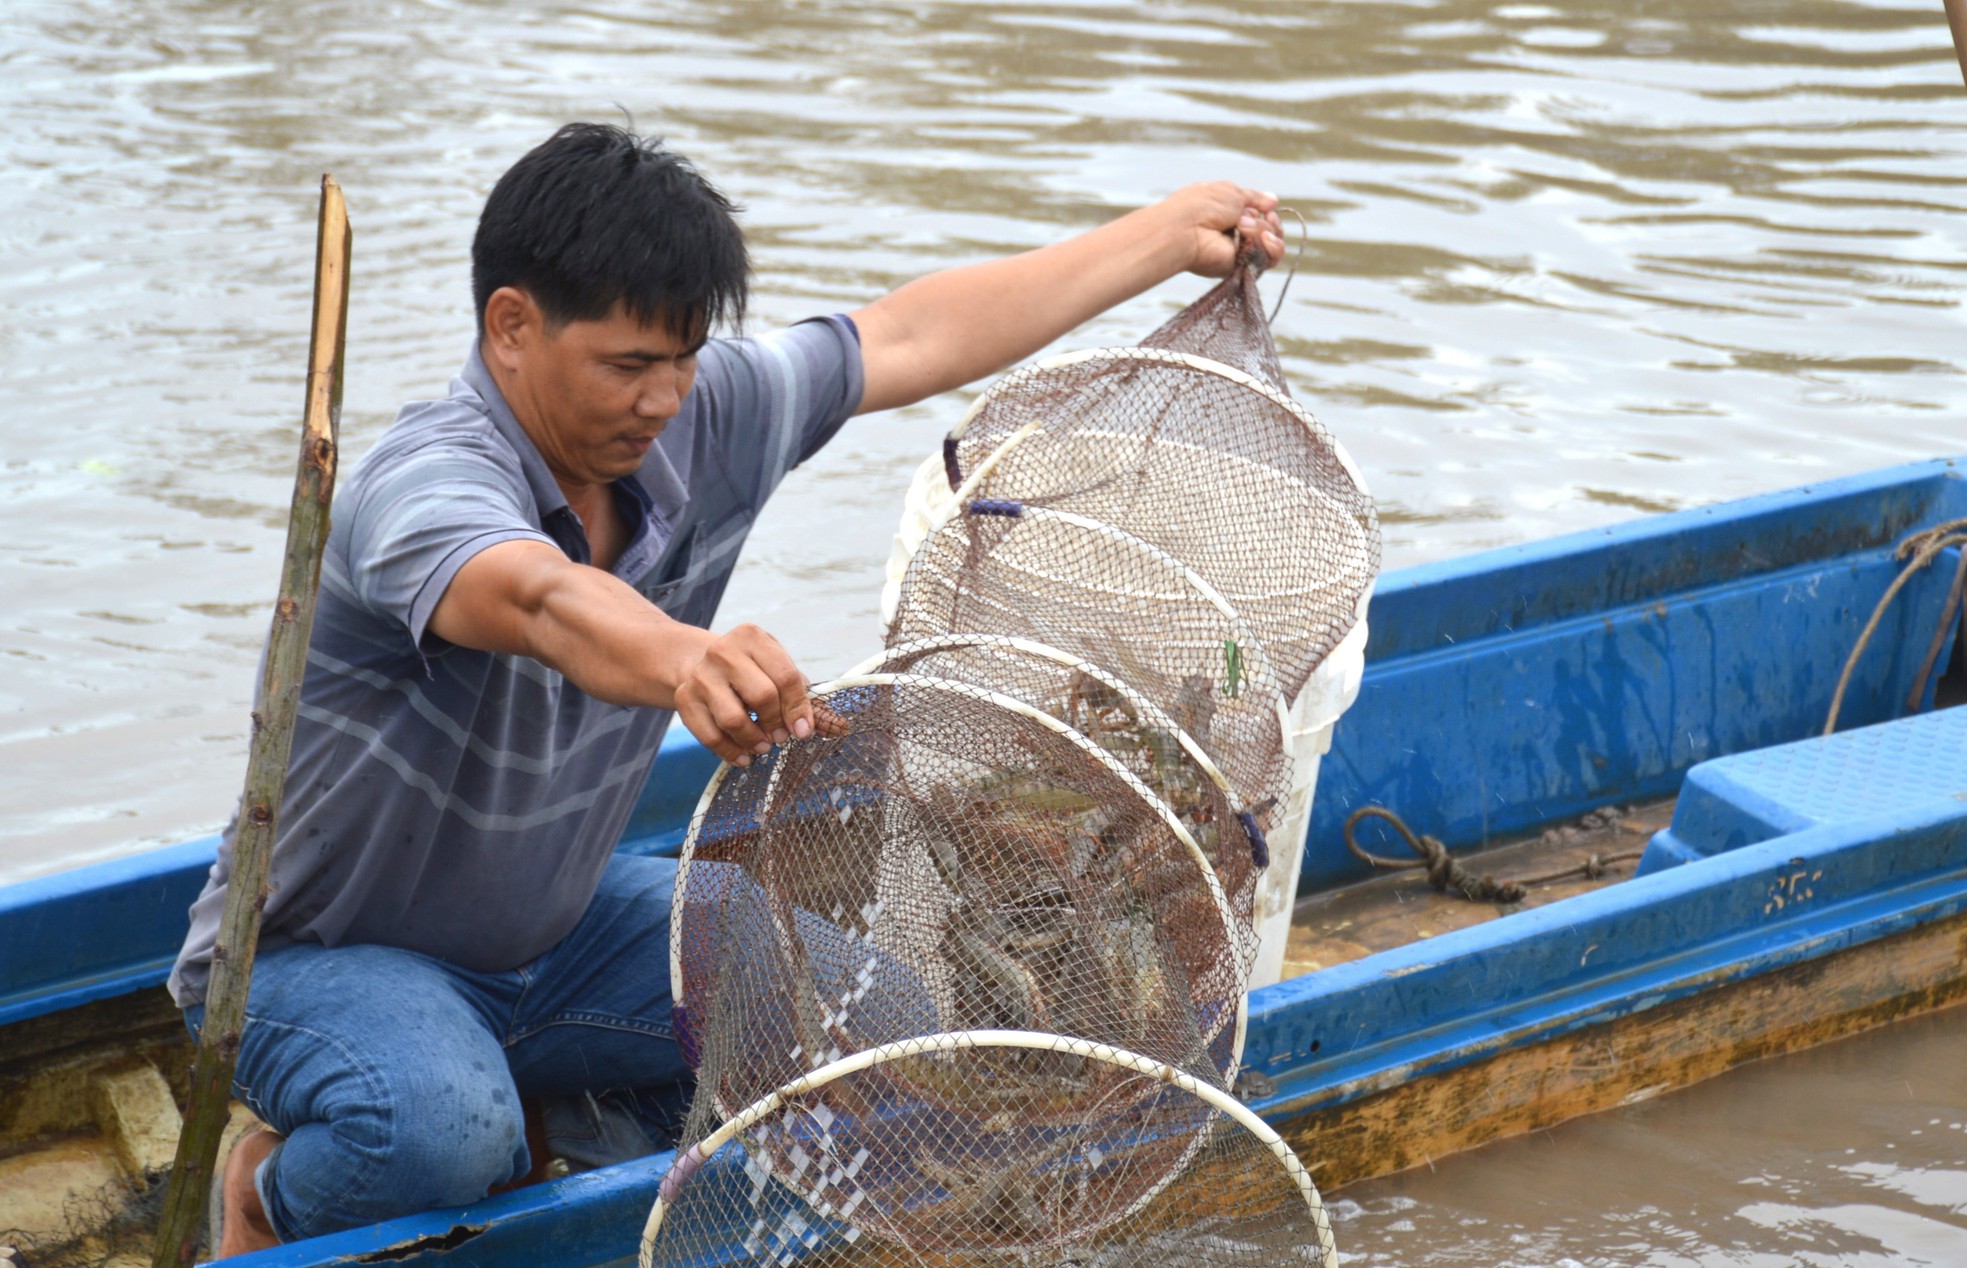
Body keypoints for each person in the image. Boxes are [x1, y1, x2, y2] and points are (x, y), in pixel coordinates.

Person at [167, 120, 1284, 1255]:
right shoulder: (422, 482)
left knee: (871, 1026)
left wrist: (1158, 237)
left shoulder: (705, 414)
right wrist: (684, 656)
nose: (661, 398)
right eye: (625, 366)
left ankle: (556, 1129)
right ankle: (274, 1189)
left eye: (683, 358)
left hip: (550, 932)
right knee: (438, 1132)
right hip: (316, 959)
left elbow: (907, 332)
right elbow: (541, 597)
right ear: (511, 327)